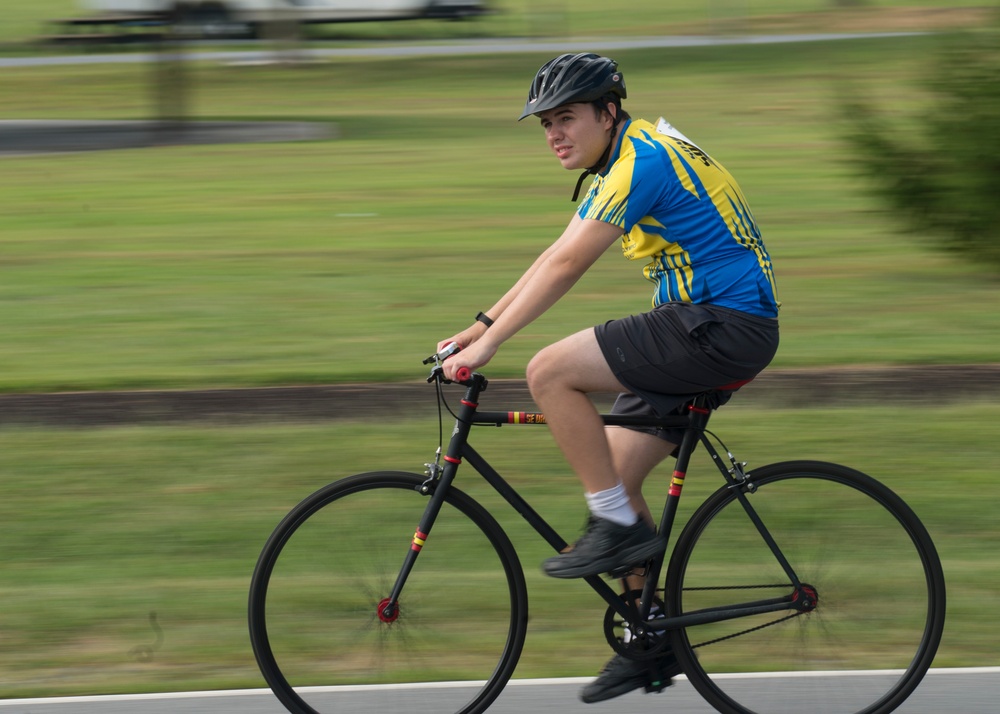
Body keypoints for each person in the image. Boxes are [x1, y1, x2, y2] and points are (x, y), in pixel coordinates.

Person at [437, 52, 779, 703]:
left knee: (549, 372)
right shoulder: (619, 158)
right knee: (615, 478)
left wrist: (495, 348)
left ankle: (617, 529)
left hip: (719, 323)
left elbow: (569, 267)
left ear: (608, 112)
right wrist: (481, 326)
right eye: (544, 124)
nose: (553, 134)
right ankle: (651, 646)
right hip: (706, 324)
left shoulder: (640, 161)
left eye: (565, 118)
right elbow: (552, 255)